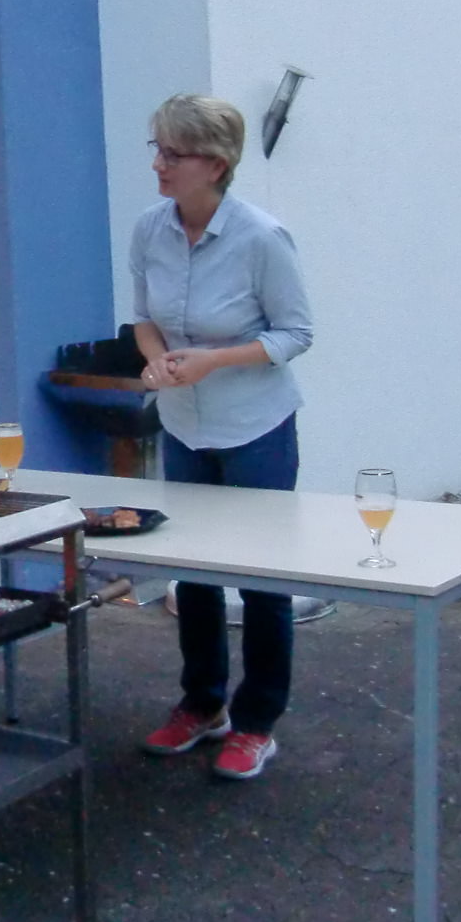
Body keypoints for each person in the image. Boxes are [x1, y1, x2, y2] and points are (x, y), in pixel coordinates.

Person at [131, 94, 313, 780]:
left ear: (215, 164)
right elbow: (143, 319)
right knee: (194, 570)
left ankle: (257, 720)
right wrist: (156, 360)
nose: (159, 164)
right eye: (157, 149)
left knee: (262, 577)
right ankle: (203, 704)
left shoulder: (261, 237)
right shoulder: (149, 230)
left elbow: (296, 334)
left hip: (255, 427)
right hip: (184, 424)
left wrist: (213, 360)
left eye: (173, 154)